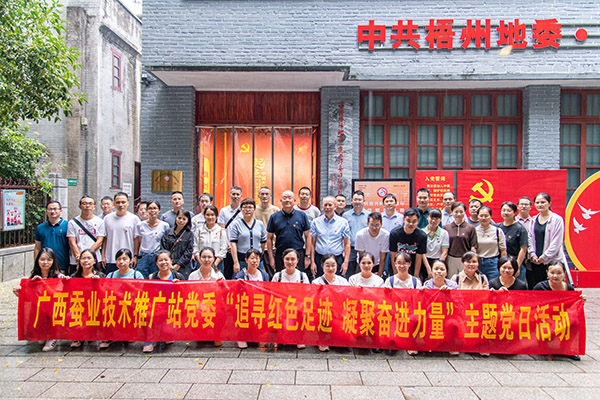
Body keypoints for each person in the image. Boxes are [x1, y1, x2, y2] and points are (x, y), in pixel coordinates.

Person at [12, 248, 65, 352]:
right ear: (38, 261)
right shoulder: (33, 277)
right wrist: (19, 292)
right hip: (39, 307)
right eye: (42, 259)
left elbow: (57, 295)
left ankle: (52, 337)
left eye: (49, 260)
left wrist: (43, 284)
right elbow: (28, 296)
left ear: (53, 261)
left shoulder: (59, 276)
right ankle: (43, 333)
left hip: (54, 308)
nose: (45, 262)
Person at [533, 260, 586, 361]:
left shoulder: (569, 288)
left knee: (575, 321)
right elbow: (531, 305)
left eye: (559, 273)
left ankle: (567, 348)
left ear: (564, 273)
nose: (555, 276)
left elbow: (573, 307)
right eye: (552, 273)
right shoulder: (540, 287)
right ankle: (542, 344)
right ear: (547, 273)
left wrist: (581, 302)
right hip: (545, 317)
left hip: (562, 317)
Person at [100, 248, 144, 350]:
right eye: (119, 259)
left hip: (131, 305)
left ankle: (129, 333)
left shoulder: (136, 275)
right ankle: (107, 337)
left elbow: (141, 292)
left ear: (130, 260)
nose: (121, 262)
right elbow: (105, 291)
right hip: (114, 305)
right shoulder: (111, 275)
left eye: (125, 259)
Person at [144, 250, 185, 353]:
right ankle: (149, 341)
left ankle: (166, 333)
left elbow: (185, 296)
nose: (163, 263)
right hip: (155, 309)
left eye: (166, 260)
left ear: (171, 261)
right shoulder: (151, 277)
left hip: (172, 310)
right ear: (156, 263)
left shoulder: (178, 276)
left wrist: (178, 286)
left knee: (168, 338)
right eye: (160, 260)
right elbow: (147, 296)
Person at [267, 190, 311, 274]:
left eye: (289, 198)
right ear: (280, 201)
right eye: (284, 198)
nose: (287, 200)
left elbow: (308, 236)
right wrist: (271, 258)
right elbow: (269, 238)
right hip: (280, 254)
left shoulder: (302, 216)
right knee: (281, 278)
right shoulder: (274, 217)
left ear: (294, 200)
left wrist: (307, 256)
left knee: (298, 278)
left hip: (298, 253)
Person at [528, 192, 566, 289]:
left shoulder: (557, 220)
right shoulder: (533, 220)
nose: (540, 205)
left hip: (552, 261)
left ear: (549, 203)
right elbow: (530, 238)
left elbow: (557, 242)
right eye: (537, 203)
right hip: (535, 261)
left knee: (552, 288)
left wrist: (544, 257)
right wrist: (532, 255)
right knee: (536, 289)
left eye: (543, 202)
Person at [312, 253, 349, 352]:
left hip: (339, 311)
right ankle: (322, 339)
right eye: (327, 265)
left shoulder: (343, 281)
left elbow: (348, 298)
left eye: (333, 265)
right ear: (322, 266)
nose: (330, 268)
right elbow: (314, 302)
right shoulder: (316, 282)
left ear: (337, 265)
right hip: (323, 312)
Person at [69, 249, 105, 349]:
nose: (86, 261)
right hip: (79, 307)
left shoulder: (100, 276)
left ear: (94, 261)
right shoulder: (74, 277)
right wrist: (66, 283)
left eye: (89, 258)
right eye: (83, 258)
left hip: (95, 307)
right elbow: (68, 295)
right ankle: (77, 337)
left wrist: (97, 284)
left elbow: (105, 295)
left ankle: (105, 338)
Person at [235, 249, 270, 349]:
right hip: (245, 305)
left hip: (260, 303)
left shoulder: (264, 275)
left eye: (257, 258)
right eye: (252, 258)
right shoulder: (241, 275)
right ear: (246, 260)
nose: (255, 261)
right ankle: (241, 337)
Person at [310, 196, 351, 277]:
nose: (327, 207)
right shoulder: (316, 222)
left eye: (330, 205)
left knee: (337, 282)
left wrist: (346, 262)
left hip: (337, 258)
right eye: (325, 205)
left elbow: (347, 244)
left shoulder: (343, 222)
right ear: (322, 207)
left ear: (335, 206)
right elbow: (312, 243)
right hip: (320, 258)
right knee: (320, 282)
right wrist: (312, 262)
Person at [102, 192, 139, 274]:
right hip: (110, 258)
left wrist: (135, 256)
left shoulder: (134, 219)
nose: (121, 205)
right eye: (118, 202)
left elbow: (136, 239)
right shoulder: (107, 219)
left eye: (123, 202)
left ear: (127, 203)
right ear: (114, 204)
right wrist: (103, 256)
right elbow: (104, 239)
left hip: (127, 259)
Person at [67, 196, 105, 276]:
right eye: (84, 203)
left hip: (94, 259)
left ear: (94, 206)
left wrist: (87, 256)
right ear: (79, 206)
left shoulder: (100, 222)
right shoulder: (72, 223)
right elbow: (72, 242)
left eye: (90, 204)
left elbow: (99, 241)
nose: (87, 206)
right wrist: (79, 258)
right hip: (76, 260)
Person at [389, 208, 428, 282]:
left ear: (418, 221)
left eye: (414, 221)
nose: (411, 224)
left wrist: (416, 275)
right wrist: (396, 273)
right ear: (404, 220)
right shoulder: (394, 234)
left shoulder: (422, 236)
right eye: (408, 221)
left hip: (412, 266)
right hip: (398, 265)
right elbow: (393, 254)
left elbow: (419, 256)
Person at [229, 198, 267, 276]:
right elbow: (233, 244)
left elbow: (263, 242)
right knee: (240, 280)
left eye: (250, 207)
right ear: (241, 209)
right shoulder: (236, 224)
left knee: (257, 279)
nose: (247, 210)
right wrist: (235, 262)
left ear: (254, 209)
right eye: (245, 207)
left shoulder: (260, 224)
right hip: (242, 260)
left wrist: (259, 255)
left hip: (257, 261)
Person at [134, 200, 170, 278]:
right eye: (150, 208)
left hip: (157, 256)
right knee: (142, 278)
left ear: (159, 210)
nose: (152, 210)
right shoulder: (140, 225)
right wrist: (135, 256)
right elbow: (137, 240)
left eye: (155, 208)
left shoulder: (164, 225)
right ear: (147, 210)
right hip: (143, 256)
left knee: (156, 278)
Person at [444, 201, 478, 278]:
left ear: (465, 212)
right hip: (451, 258)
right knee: (451, 280)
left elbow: (473, 246)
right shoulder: (446, 228)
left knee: (465, 279)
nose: (459, 214)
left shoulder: (470, 228)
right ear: (452, 212)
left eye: (461, 212)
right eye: (456, 212)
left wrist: (472, 261)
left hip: (466, 259)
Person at [34, 200, 70, 274]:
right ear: (46, 212)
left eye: (55, 209)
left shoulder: (68, 225)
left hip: (63, 266)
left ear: (61, 211)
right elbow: (37, 247)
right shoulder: (40, 228)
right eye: (50, 209)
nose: (52, 211)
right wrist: (37, 265)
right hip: (46, 266)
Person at [499, 201, 529, 283]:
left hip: (515, 264)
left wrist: (517, 267)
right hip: (502, 265)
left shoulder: (520, 229)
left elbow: (523, 249)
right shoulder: (497, 227)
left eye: (509, 211)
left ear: (515, 213)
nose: (506, 213)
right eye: (503, 210)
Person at [342, 190, 370, 278]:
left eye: (360, 200)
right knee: (349, 273)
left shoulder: (369, 215)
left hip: (365, 249)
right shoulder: (346, 216)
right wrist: (343, 250)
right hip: (350, 249)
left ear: (364, 201)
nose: (357, 202)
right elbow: (343, 235)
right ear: (351, 200)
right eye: (355, 199)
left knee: (362, 273)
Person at [475, 206, 506, 281]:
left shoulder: (497, 231)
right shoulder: (474, 231)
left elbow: (503, 250)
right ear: (478, 216)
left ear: (491, 216)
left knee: (493, 284)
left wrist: (503, 265)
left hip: (493, 263)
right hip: (478, 262)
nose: (483, 218)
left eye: (486, 216)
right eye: (481, 216)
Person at [218, 186, 243, 279]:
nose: (235, 196)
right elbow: (222, 229)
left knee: (239, 274)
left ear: (241, 196)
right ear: (230, 195)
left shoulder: (244, 211)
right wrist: (228, 244)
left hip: (240, 247)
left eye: (237, 194)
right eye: (233, 194)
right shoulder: (224, 211)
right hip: (227, 248)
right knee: (227, 273)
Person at [193, 205, 227, 273]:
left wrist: (215, 264)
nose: (210, 217)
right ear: (204, 216)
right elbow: (195, 248)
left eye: (212, 215)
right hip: (201, 262)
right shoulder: (199, 230)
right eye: (207, 215)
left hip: (217, 263)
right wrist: (201, 263)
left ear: (216, 216)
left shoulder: (221, 230)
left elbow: (223, 249)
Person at [161, 210, 194, 278]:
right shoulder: (168, 232)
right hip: (167, 265)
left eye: (184, 219)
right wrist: (168, 262)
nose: (181, 221)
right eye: (179, 218)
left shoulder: (189, 234)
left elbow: (189, 251)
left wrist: (179, 264)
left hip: (183, 267)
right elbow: (163, 248)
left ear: (188, 220)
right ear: (176, 218)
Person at [355, 212, 389, 277]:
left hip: (378, 264)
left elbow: (383, 257)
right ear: (367, 224)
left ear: (381, 224)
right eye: (372, 225)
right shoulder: (360, 235)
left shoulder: (386, 235)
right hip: (363, 263)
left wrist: (380, 272)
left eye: (377, 225)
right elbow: (361, 255)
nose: (374, 228)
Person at [422, 208, 449, 278]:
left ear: (440, 219)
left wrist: (438, 267)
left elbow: (444, 253)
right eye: (431, 218)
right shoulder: (422, 232)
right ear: (427, 217)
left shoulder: (444, 233)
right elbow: (422, 253)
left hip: (439, 261)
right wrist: (428, 268)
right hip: (425, 262)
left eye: (436, 219)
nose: (433, 221)